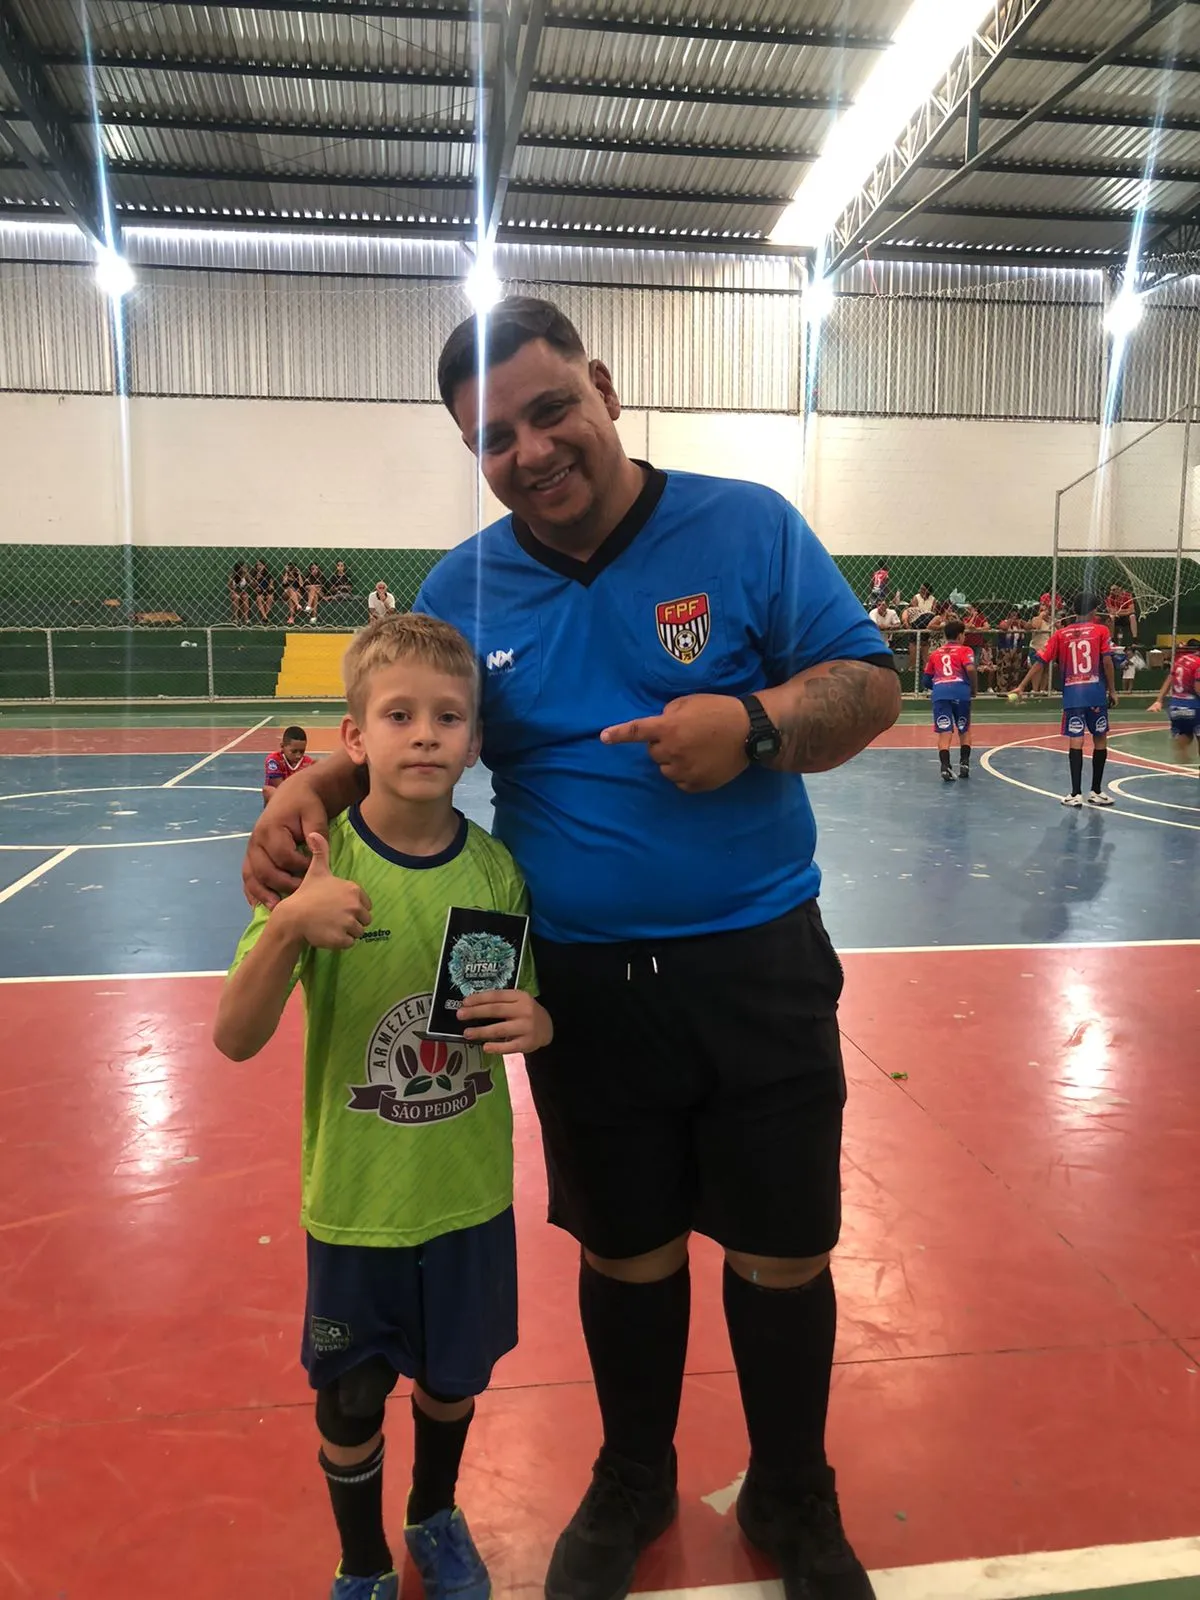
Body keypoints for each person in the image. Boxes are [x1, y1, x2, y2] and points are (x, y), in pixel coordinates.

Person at [243, 296, 899, 1600]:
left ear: (602, 386)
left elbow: (869, 686)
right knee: (626, 1247)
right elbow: (401, 725)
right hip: (581, 982)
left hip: (758, 958)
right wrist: (311, 788)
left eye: (552, 410)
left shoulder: (748, 525)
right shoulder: (464, 585)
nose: (533, 450)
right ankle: (634, 1475)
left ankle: (793, 1489)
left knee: (784, 1248)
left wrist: (755, 725)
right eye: (496, 437)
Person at [215, 613, 552, 1600]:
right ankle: (362, 1561)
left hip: (466, 1197)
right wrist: (290, 927)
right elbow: (234, 1035)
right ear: (354, 737)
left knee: (453, 1381)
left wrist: (540, 1021)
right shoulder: (319, 868)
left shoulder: (496, 873)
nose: (425, 735)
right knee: (354, 1394)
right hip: (357, 1203)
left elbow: (518, 1012)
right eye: (399, 715)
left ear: (475, 739)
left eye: (449, 717)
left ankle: (433, 1515)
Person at [1011, 592, 1117, 807]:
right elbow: (1107, 662)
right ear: (1094, 610)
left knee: (1076, 739)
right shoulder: (1101, 630)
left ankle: (1075, 793)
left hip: (1073, 695)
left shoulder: (1061, 634)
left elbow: (1040, 661)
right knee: (1100, 739)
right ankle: (1096, 791)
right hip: (1095, 694)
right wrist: (1113, 691)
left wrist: (1022, 686)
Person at [922, 619, 976, 781]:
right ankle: (964, 764)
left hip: (940, 694)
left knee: (944, 732)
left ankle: (945, 767)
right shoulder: (965, 650)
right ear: (960, 636)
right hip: (961, 693)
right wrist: (973, 689)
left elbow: (926, 680)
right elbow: (970, 668)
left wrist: (939, 687)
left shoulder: (935, 653)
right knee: (964, 729)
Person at [1148, 639, 1200, 767]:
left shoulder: (1179, 661)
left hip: (1176, 705)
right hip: (1193, 705)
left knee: (1186, 733)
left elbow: (1169, 680)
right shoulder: (1198, 663)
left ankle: (1182, 752)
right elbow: (1198, 686)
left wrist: (1159, 700)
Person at [263, 725, 315, 807]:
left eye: (302, 751)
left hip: (297, 801)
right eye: (294, 751)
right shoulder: (274, 760)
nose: (298, 755)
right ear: (282, 746)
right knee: (268, 791)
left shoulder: (308, 762)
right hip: (280, 800)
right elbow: (280, 788)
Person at [229, 560, 251, 625]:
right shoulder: (233, 575)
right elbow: (229, 586)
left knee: (245, 597)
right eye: (244, 567)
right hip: (235, 592)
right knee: (236, 597)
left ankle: (246, 618)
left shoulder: (246, 575)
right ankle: (235, 618)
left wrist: (248, 576)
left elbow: (252, 584)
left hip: (243, 592)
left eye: (246, 567)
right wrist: (232, 591)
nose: (245, 568)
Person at [253, 558, 275, 623]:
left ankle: (264, 617)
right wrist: (257, 579)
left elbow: (272, 584)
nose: (259, 566)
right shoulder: (254, 574)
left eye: (260, 565)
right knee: (259, 598)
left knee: (270, 597)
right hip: (260, 593)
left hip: (268, 592)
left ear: (264, 566)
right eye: (257, 565)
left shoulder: (268, 574)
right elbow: (254, 586)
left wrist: (271, 586)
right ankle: (265, 617)